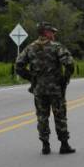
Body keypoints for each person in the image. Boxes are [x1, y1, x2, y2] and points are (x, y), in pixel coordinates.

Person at [16, 22, 76, 155]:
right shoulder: (56, 47)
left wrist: (31, 78)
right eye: (52, 32)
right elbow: (70, 64)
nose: (54, 34)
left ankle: (45, 145)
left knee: (42, 117)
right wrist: (64, 79)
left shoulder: (30, 48)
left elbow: (18, 66)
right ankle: (64, 144)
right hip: (55, 88)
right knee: (59, 115)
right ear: (46, 32)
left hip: (39, 88)